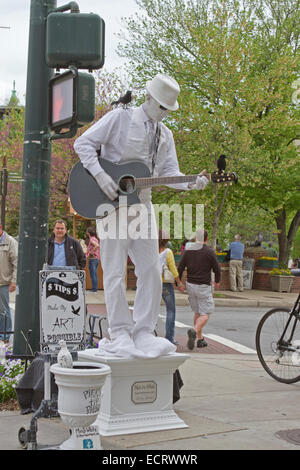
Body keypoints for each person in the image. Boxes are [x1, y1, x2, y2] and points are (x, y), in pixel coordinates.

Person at [73, 73, 210, 359]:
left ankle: (144, 331)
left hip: (142, 206)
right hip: (110, 205)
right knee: (113, 272)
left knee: (150, 269)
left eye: (167, 110)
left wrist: (192, 182)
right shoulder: (120, 118)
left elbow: (171, 174)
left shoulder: (166, 135)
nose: (163, 113)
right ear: (148, 98)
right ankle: (120, 332)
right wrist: (100, 176)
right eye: (160, 106)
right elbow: (83, 143)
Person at [177, 229, 221, 350]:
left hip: (190, 285)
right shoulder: (209, 252)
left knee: (197, 313)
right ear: (206, 239)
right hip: (203, 286)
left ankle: (200, 339)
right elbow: (217, 268)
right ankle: (195, 330)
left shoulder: (188, 251)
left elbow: (180, 266)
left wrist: (179, 282)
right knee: (205, 313)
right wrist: (217, 281)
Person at [159, 230, 184, 345]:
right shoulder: (168, 252)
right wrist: (179, 282)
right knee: (170, 310)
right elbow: (173, 269)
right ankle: (169, 337)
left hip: (152, 283)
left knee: (150, 309)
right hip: (165, 284)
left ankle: (146, 334)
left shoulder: (150, 251)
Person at [0, 224, 18, 343]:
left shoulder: (10, 241)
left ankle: (5, 337)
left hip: (3, 283)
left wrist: (14, 281)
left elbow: (17, 262)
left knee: (4, 310)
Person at [86, 227, 100, 292]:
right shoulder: (96, 239)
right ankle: (95, 288)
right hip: (96, 259)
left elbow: (97, 246)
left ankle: (94, 289)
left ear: (88, 233)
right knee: (95, 274)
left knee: (93, 274)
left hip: (93, 259)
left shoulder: (91, 239)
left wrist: (91, 251)